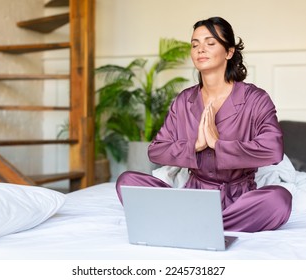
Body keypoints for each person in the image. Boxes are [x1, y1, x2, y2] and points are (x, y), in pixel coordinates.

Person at [115, 16, 292, 232]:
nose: (200, 49)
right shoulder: (184, 100)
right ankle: (202, 222)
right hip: (193, 196)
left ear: (229, 52)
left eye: (210, 43)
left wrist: (218, 144)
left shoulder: (256, 99)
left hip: (239, 199)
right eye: (195, 44)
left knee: (279, 200)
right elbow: (156, 150)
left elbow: (273, 150)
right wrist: (194, 146)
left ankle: (193, 224)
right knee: (127, 181)